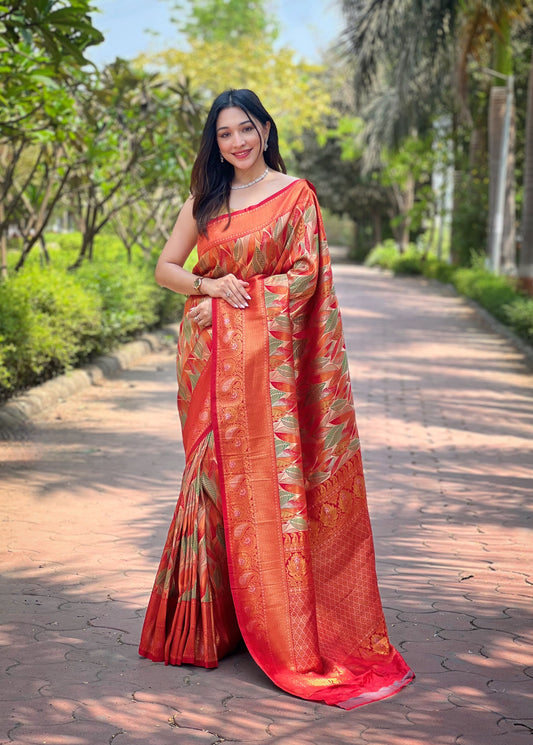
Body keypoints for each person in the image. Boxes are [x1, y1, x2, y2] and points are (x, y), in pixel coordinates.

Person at [138, 88, 414, 709]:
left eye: (244, 130)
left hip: (268, 366)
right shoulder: (205, 200)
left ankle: (272, 620)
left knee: (265, 485)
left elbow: (307, 276)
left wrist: (249, 300)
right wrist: (212, 285)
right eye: (223, 134)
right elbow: (166, 268)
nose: (235, 142)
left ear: (265, 130)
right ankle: (200, 630)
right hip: (209, 363)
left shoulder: (295, 196)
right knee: (208, 480)